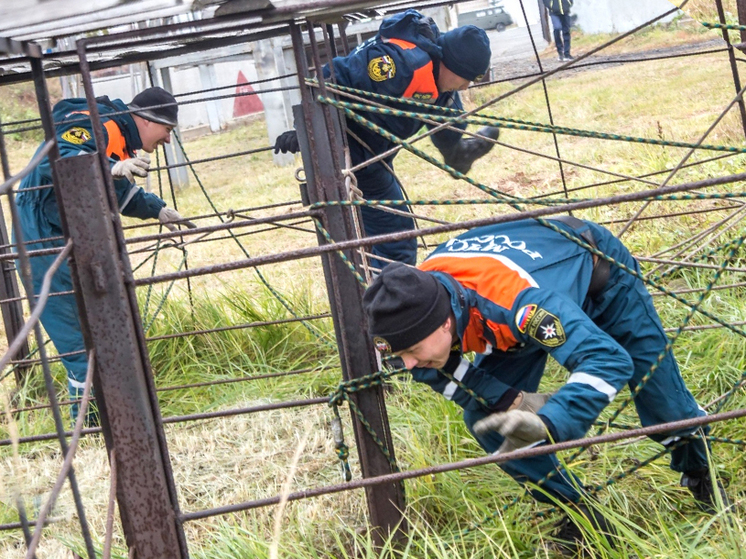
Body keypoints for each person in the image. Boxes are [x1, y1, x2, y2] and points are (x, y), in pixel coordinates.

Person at [362, 216, 728, 552]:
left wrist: (550, 421)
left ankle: (701, 478)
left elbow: (608, 360)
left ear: (444, 324)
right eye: (399, 354)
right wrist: (506, 398)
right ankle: (584, 518)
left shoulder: (519, 304)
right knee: (488, 422)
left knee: (666, 406)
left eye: (412, 350)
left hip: (600, 276)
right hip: (510, 322)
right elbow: (431, 367)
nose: (407, 364)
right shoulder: (413, 300)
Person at [15, 86, 194, 426]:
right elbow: (64, 157)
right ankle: (94, 426)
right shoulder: (96, 124)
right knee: (79, 343)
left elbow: (120, 191)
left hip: (68, 234)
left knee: (100, 330)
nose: (168, 141)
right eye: (167, 130)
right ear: (146, 120)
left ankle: (112, 417)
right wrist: (108, 166)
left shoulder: (118, 138)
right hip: (40, 237)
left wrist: (158, 210)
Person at [274, 10, 500, 269]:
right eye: (466, 77)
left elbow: (446, 91)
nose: (466, 86)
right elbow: (331, 78)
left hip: (382, 139)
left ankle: (456, 153)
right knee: (397, 235)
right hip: (359, 150)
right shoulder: (399, 65)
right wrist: (307, 132)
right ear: (449, 61)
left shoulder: (436, 69)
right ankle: (388, 296)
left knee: (444, 99)